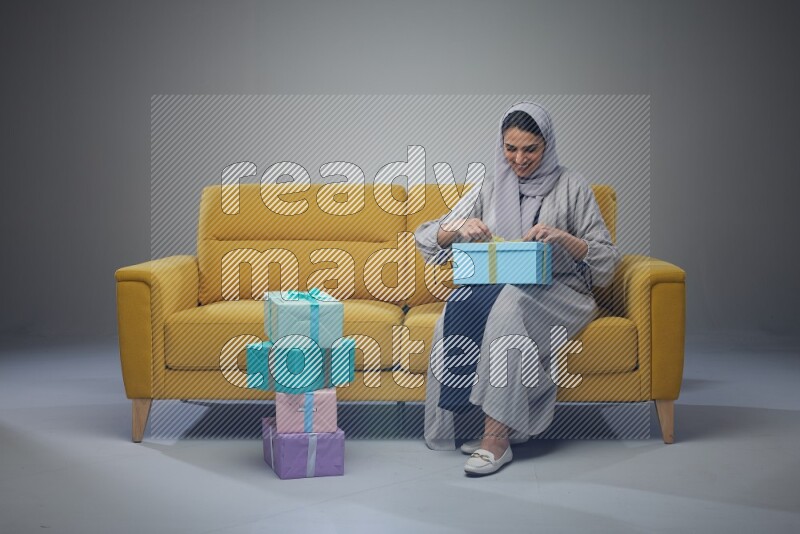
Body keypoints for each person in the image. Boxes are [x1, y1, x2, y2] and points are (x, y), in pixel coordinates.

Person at [413, 101, 621, 476]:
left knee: (508, 305)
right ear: (501, 146)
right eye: (511, 148)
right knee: (457, 305)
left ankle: (497, 438)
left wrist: (564, 238)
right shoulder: (490, 186)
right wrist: (458, 228)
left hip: (563, 292)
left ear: (548, 146)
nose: (520, 159)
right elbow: (428, 239)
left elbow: (606, 262)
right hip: (503, 285)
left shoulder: (572, 186)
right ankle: (452, 426)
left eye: (530, 149)